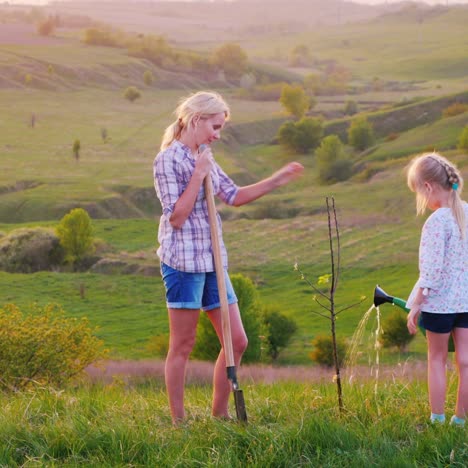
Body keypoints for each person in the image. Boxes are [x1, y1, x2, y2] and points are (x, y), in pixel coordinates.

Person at [153, 91, 304, 424]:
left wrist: (278, 179)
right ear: (196, 119)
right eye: (215, 126)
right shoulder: (168, 160)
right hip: (183, 264)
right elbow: (176, 218)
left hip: (212, 262)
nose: (217, 135)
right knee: (183, 344)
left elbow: (233, 196)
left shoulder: (204, 154)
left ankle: (219, 414)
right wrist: (197, 174)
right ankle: (179, 422)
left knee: (237, 340)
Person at [406, 152, 468, 427]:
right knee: (466, 361)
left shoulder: (436, 222)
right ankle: (461, 420)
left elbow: (430, 273)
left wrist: (416, 304)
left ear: (428, 187)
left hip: (440, 306)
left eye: (418, 191)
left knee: (437, 360)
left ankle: (437, 420)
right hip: (466, 303)